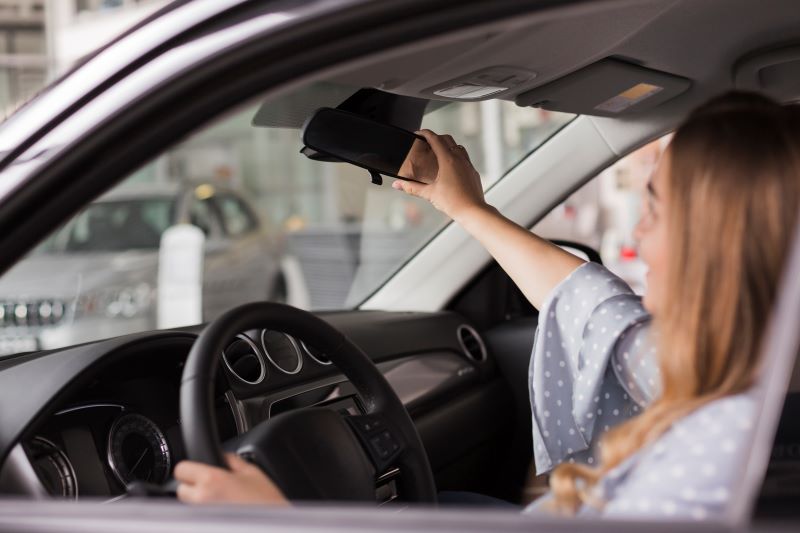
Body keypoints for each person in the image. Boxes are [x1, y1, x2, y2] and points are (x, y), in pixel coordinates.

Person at [173, 92, 800, 520]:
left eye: (657, 209)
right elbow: (599, 310)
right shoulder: (748, 389)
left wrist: (280, 523)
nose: (637, 238)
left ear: (721, 243)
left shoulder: (713, 473)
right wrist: (468, 210)